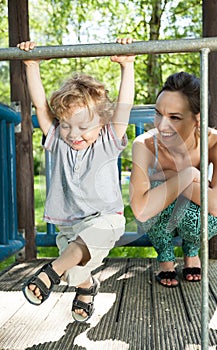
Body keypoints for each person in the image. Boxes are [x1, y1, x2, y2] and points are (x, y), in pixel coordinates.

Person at [17, 38, 135, 321]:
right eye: (67, 125)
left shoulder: (107, 140)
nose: (74, 134)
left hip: (106, 218)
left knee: (69, 261)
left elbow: (124, 107)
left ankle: (50, 273)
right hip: (70, 226)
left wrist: (127, 66)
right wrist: (32, 66)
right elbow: (41, 108)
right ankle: (87, 286)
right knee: (75, 271)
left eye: (84, 126)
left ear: (102, 123)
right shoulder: (57, 140)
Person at [130, 71, 217, 288]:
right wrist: (188, 175)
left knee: (208, 219)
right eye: (158, 114)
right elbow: (140, 209)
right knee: (156, 201)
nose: (162, 125)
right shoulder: (144, 144)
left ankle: (191, 250)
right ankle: (165, 258)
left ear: (198, 119)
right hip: (161, 218)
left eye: (174, 117)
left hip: (191, 214)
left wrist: (168, 181)